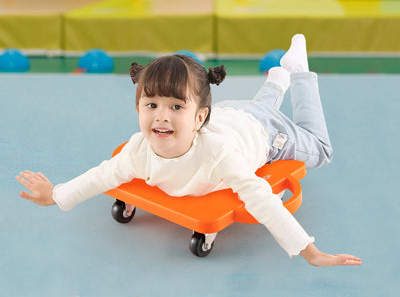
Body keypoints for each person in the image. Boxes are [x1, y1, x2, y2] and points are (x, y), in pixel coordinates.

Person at [17, 34, 362, 267]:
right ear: (137, 107)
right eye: (151, 104)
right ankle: (276, 79)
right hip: (233, 115)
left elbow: (262, 199)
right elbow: (100, 175)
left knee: (320, 149)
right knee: (257, 109)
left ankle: (297, 73)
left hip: (267, 134)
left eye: (175, 107)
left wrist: (310, 252)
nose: (161, 117)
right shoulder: (139, 150)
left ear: (198, 117)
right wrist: (56, 195)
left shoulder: (219, 156)